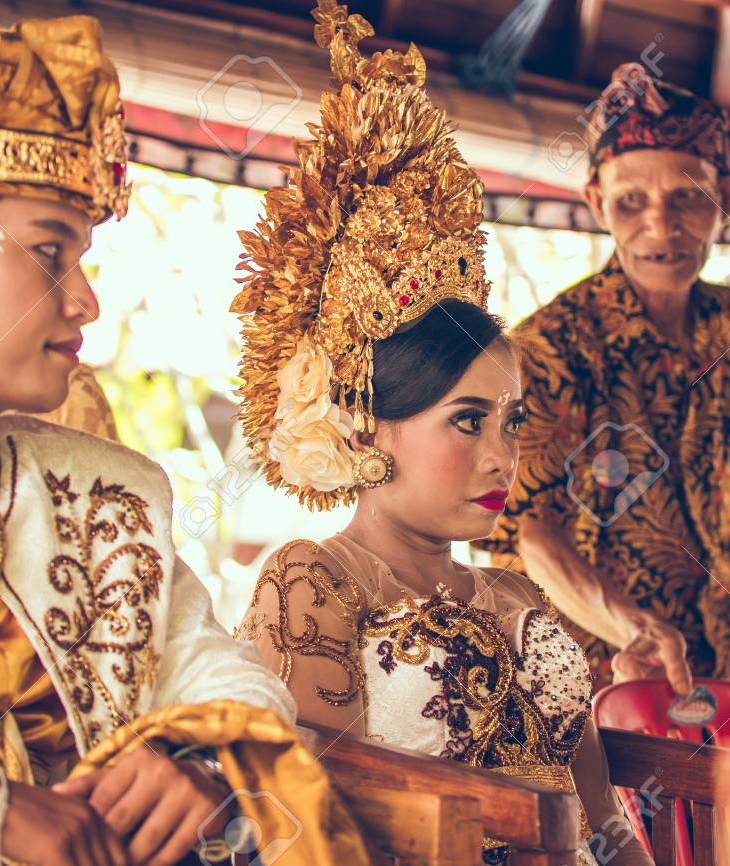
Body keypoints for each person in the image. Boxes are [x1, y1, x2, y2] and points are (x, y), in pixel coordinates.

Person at [0, 16, 369, 866]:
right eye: (51, 251)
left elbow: (228, 676)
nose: (85, 300)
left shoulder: (112, 497)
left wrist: (197, 765)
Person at [230, 4, 650, 864]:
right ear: (370, 424)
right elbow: (330, 826)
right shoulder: (313, 581)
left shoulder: (522, 599)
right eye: (468, 421)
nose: (504, 456)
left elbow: (605, 823)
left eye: (512, 421)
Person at [480, 63, 730, 707]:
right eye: (630, 201)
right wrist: (632, 632)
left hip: (707, 675)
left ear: (726, 192)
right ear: (595, 202)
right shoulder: (550, 346)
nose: (661, 228)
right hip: (576, 690)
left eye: (688, 196)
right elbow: (532, 533)